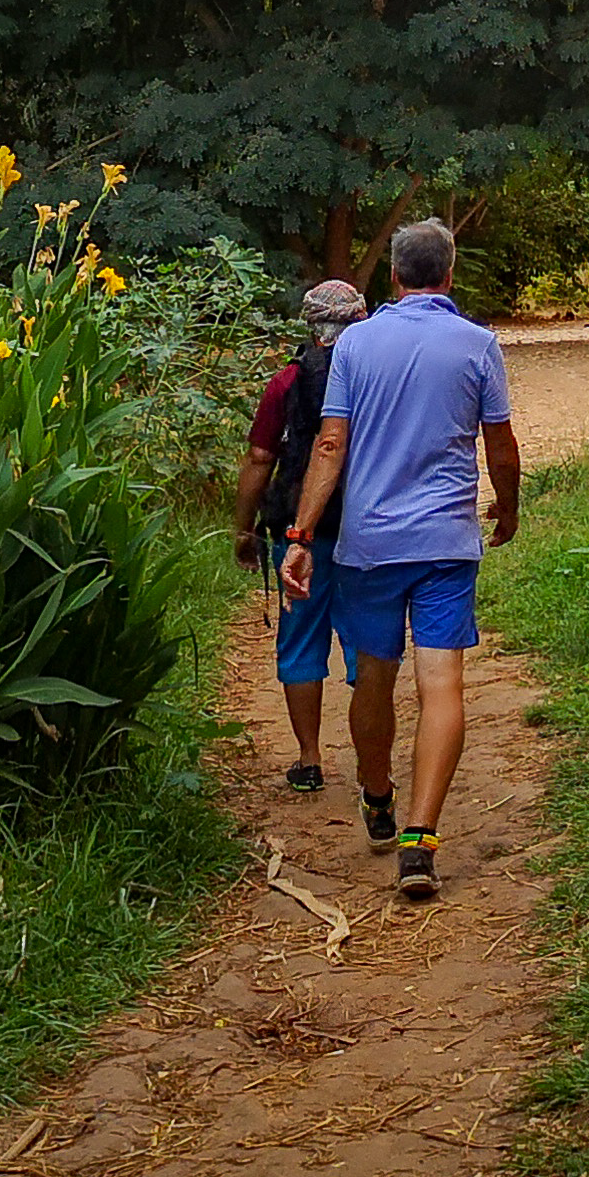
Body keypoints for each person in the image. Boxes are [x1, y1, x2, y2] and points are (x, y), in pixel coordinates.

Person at [278, 217, 517, 902]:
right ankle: (420, 840)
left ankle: (378, 793)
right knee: (442, 684)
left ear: (393, 275)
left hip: (369, 547)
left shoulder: (356, 343)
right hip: (445, 543)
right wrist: (508, 507)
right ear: (450, 272)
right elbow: (500, 442)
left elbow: (330, 446)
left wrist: (299, 536)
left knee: (375, 680)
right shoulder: (477, 345)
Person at [234, 277, 372, 794]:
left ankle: (309, 760)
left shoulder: (284, 383)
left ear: (309, 325)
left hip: (297, 533)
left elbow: (260, 459)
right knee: (366, 644)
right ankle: (369, 761)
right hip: (364, 530)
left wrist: (243, 528)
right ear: (363, 318)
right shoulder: (372, 377)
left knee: (299, 643)